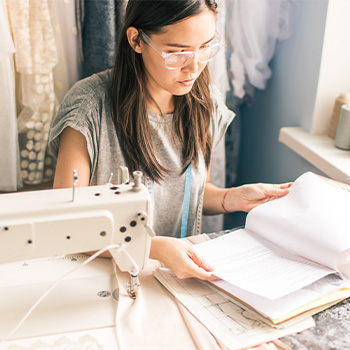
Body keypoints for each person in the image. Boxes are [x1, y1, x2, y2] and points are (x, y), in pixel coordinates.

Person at [49, 0, 291, 281]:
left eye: (205, 48)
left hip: (176, 277)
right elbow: (65, 224)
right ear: (136, 40)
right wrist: (155, 248)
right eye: (177, 54)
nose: (194, 68)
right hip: (101, 276)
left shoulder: (206, 102)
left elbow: (191, 191)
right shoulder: (89, 107)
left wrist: (230, 198)